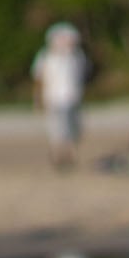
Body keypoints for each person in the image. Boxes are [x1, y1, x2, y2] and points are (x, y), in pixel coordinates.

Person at [32, 22, 90, 170]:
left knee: (73, 128)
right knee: (56, 128)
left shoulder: (77, 56)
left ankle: (72, 156)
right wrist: (37, 99)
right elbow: (39, 78)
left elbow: (81, 77)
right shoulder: (46, 57)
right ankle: (58, 156)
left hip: (73, 97)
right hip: (53, 98)